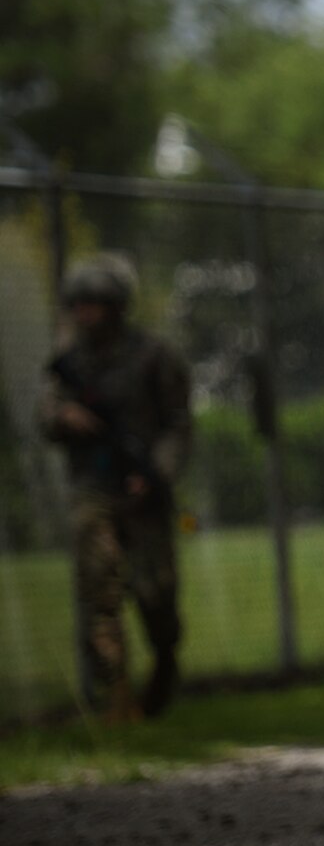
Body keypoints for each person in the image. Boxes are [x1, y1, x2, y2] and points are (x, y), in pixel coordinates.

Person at [39, 255, 191, 723]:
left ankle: (165, 662)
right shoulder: (68, 363)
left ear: (117, 307)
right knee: (99, 592)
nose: (84, 314)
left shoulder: (154, 356)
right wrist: (62, 417)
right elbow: (45, 413)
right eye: (78, 305)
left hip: (143, 493)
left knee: (155, 596)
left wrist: (156, 473)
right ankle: (116, 700)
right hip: (93, 489)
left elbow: (179, 426)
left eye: (95, 305)